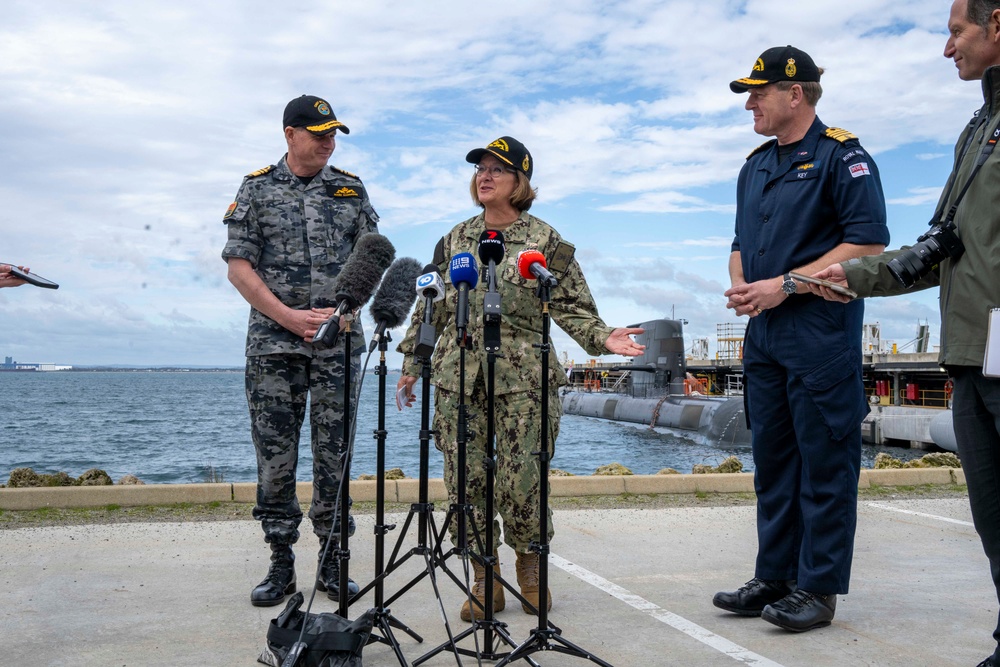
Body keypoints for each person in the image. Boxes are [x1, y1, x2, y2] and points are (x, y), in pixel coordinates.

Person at [807, 2, 1000, 662]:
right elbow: (941, 247)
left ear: (998, 25)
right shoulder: (979, 130)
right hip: (974, 356)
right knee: (995, 522)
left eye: (956, 31)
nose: (948, 48)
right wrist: (848, 277)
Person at [396, 136, 644, 622]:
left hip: (524, 383)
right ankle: (484, 580)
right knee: (465, 483)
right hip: (458, 378)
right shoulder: (454, 240)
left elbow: (574, 307)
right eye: (480, 169)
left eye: (498, 169)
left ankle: (530, 571)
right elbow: (434, 306)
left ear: (520, 182)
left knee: (523, 482)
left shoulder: (546, 242)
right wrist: (412, 362)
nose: (485, 176)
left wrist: (603, 337)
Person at [716, 46, 890, 632]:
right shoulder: (755, 166)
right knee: (774, 463)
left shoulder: (845, 158)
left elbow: (868, 245)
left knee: (823, 464)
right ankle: (776, 576)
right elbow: (740, 242)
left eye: (759, 91)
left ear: (797, 93)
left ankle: (816, 589)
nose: (750, 102)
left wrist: (785, 286)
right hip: (764, 337)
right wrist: (743, 285)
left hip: (818, 336)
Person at [221, 95, 379, 607]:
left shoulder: (350, 189)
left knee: (336, 457)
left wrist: (342, 312)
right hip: (274, 346)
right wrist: (288, 318)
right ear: (290, 133)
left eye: (333, 134)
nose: (328, 143)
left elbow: (372, 256)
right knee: (275, 459)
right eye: (318, 134)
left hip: (337, 346)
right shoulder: (257, 188)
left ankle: (333, 562)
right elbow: (239, 267)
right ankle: (281, 562)